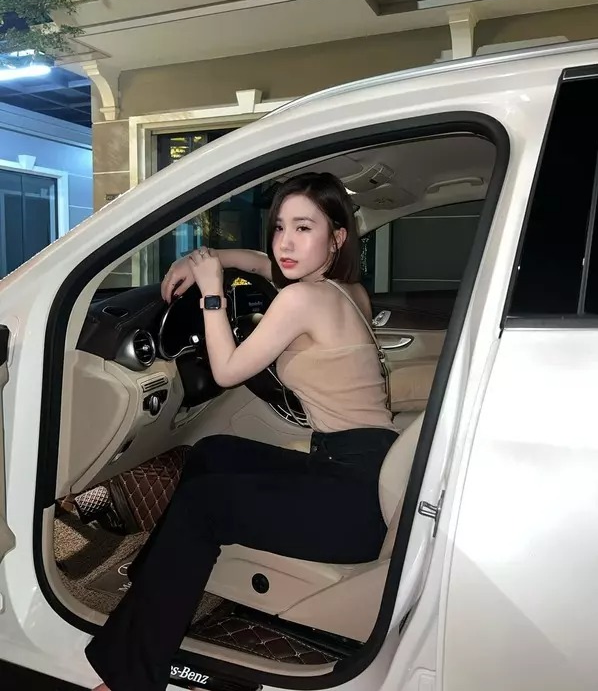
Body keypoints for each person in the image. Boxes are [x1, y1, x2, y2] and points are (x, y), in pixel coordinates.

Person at [86, 172, 396, 691]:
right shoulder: (348, 292)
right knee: (214, 451)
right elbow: (262, 264)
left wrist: (212, 291)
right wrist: (207, 258)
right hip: (364, 470)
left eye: (304, 228)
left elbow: (227, 370)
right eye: (280, 227)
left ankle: (129, 679)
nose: (285, 243)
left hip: (355, 500)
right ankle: (153, 584)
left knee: (204, 504)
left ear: (337, 237)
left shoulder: (302, 301)